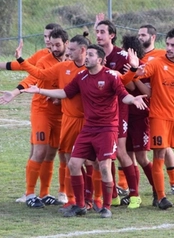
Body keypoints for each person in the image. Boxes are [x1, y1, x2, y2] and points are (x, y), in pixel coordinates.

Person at [20, 44, 148, 218]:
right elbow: (65, 93)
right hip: (88, 128)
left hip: (107, 129)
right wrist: (39, 90)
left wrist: (133, 100)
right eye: (86, 54)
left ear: (101, 60)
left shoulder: (111, 76)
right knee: (73, 164)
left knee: (103, 166)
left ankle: (106, 206)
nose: (86, 57)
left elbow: (123, 94)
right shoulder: (81, 76)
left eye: (91, 55)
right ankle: (80, 205)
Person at [0, 23, 69, 205]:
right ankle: (29, 193)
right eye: (47, 40)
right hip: (42, 111)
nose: (51, 45)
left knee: (54, 154)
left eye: (55, 43)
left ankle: (48, 193)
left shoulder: (71, 60)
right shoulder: (43, 58)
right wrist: (14, 92)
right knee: (39, 151)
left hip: (63, 113)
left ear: (66, 43)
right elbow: (31, 76)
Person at [133, 27, 174, 210]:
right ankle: (161, 197)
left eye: (172, 45)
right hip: (159, 117)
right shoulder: (156, 62)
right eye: (167, 44)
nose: (168, 48)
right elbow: (141, 73)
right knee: (159, 156)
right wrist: (135, 69)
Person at [95, 19, 141, 208]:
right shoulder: (94, 54)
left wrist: (134, 68)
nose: (98, 35)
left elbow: (130, 81)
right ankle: (112, 194)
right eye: (97, 32)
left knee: (120, 151)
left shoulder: (122, 55)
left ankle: (135, 195)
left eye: (102, 32)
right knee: (106, 154)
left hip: (119, 109)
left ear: (112, 35)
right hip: (100, 111)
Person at [121, 34, 158, 206]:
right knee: (129, 156)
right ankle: (134, 192)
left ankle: (158, 190)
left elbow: (146, 92)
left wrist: (133, 74)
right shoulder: (125, 67)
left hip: (141, 115)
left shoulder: (143, 67)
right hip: (125, 115)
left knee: (142, 157)